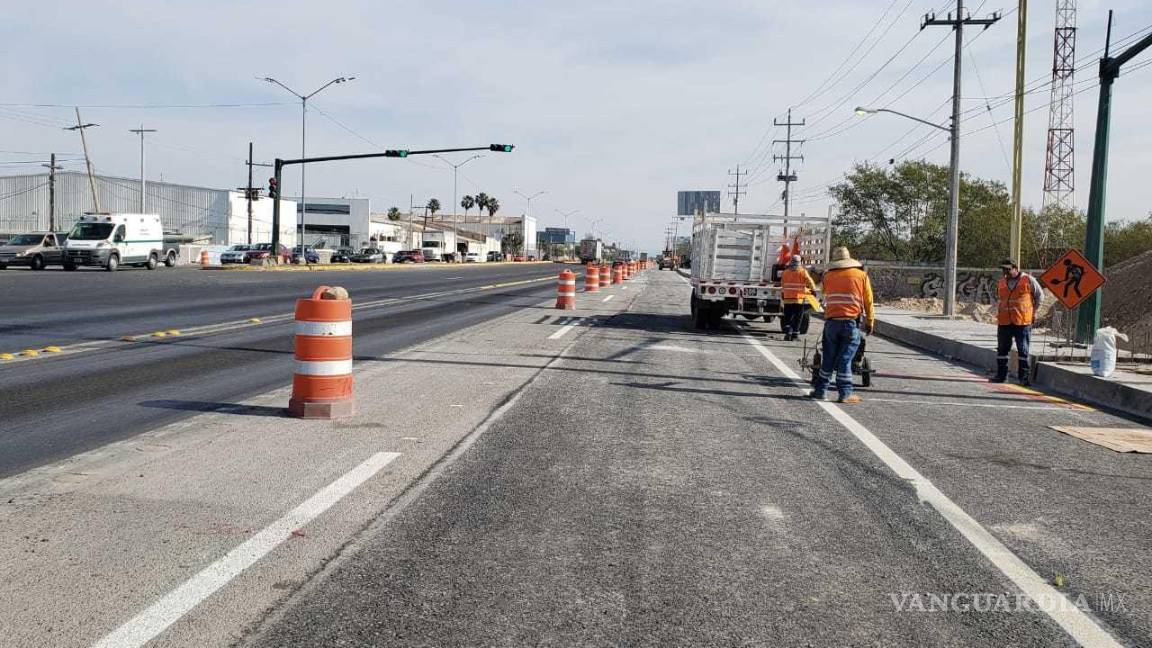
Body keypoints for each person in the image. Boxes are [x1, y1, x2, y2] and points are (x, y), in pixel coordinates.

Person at [809, 246, 874, 404]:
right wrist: (870, 321)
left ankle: (820, 391)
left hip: (831, 323)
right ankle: (845, 393)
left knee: (828, 358)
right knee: (845, 358)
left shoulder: (828, 276)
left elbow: (821, 290)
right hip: (850, 323)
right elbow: (868, 301)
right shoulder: (861, 275)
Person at [992, 259, 1044, 386]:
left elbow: (1039, 297)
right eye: (1003, 269)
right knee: (1002, 350)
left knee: (1023, 350)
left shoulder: (1028, 280)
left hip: (1022, 322)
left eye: (1008, 269)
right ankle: (1001, 375)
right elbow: (1000, 299)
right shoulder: (1002, 282)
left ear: (1015, 268)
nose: (1005, 272)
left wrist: (1032, 312)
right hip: (1005, 321)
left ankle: (1023, 378)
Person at [780, 256, 817, 341]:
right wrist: (813, 290)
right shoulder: (802, 272)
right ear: (799, 262)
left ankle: (788, 333)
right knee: (798, 317)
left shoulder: (785, 272)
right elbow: (809, 281)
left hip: (788, 299)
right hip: (799, 299)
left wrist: (783, 293)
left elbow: (783, 284)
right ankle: (795, 335)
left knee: (788, 316)